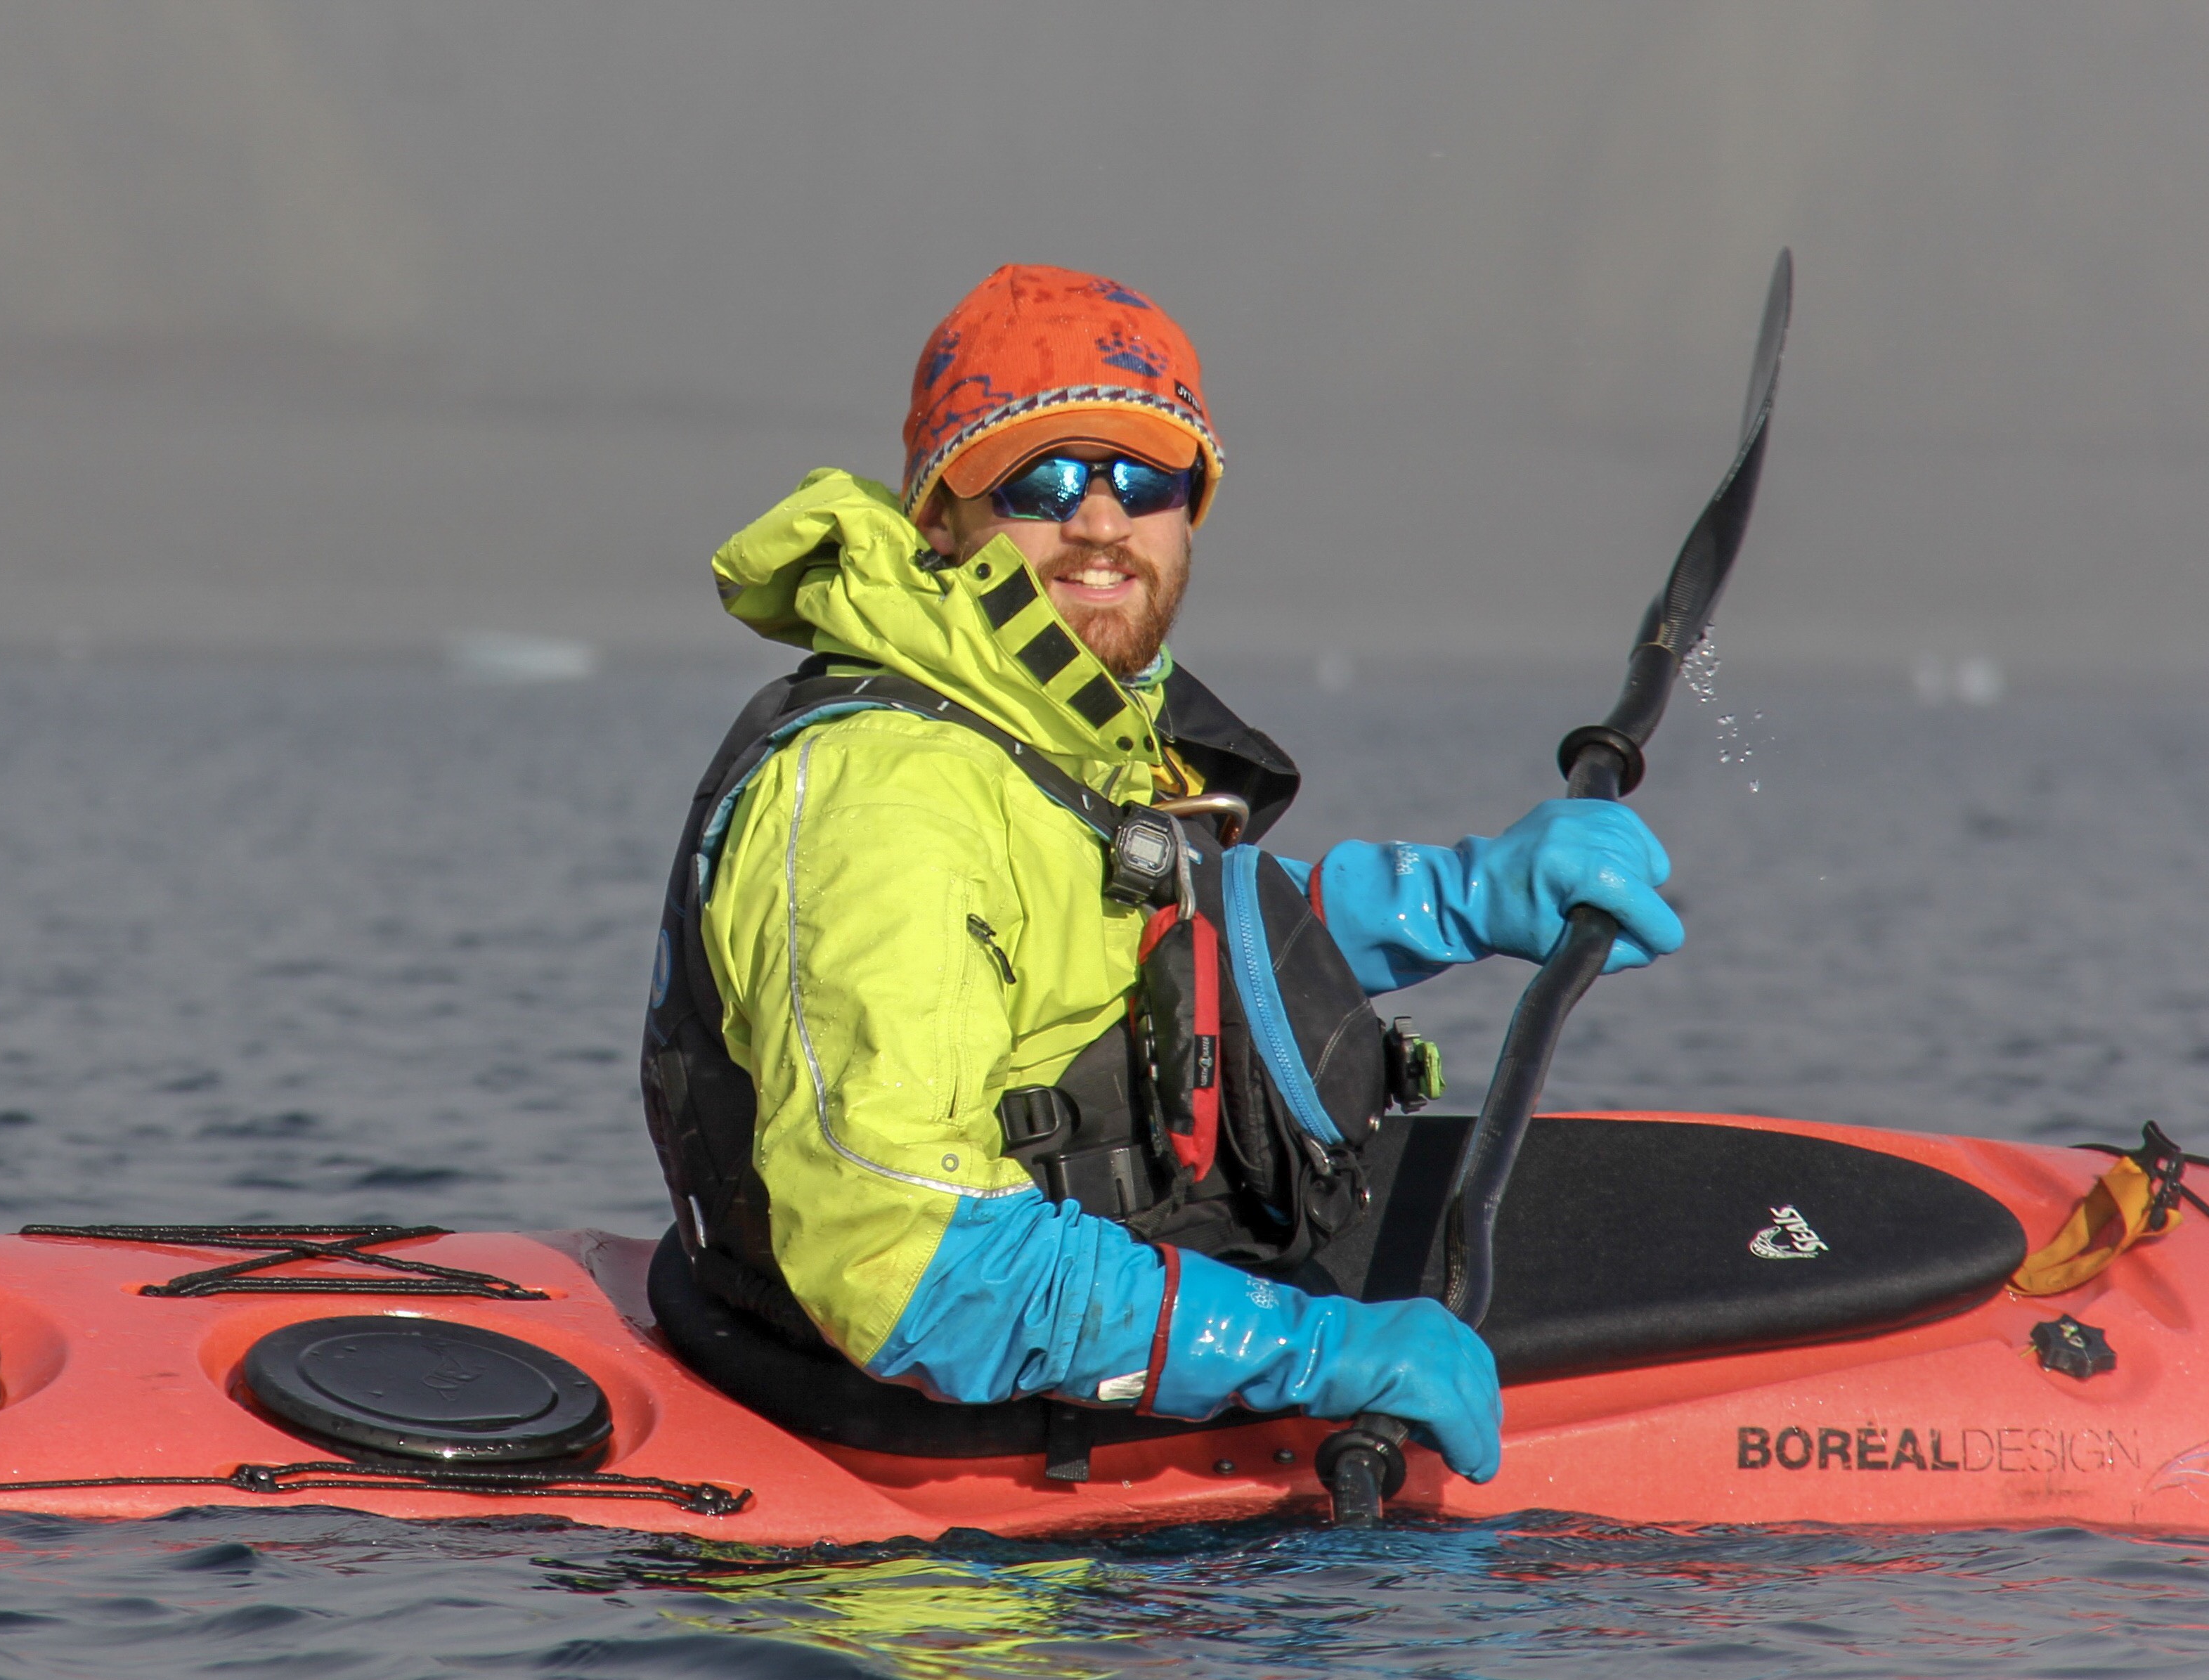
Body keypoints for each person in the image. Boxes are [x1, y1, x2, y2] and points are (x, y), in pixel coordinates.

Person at [642, 264, 1685, 1484]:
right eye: (1039, 479)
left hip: (1079, 1306)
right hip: (933, 1535)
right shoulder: (893, 798)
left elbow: (1156, 954)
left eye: (1147, 477)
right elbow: (902, 1260)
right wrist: (1310, 1352)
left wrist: (1460, 899)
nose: (1100, 522)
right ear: (941, 517)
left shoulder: (1052, 725)